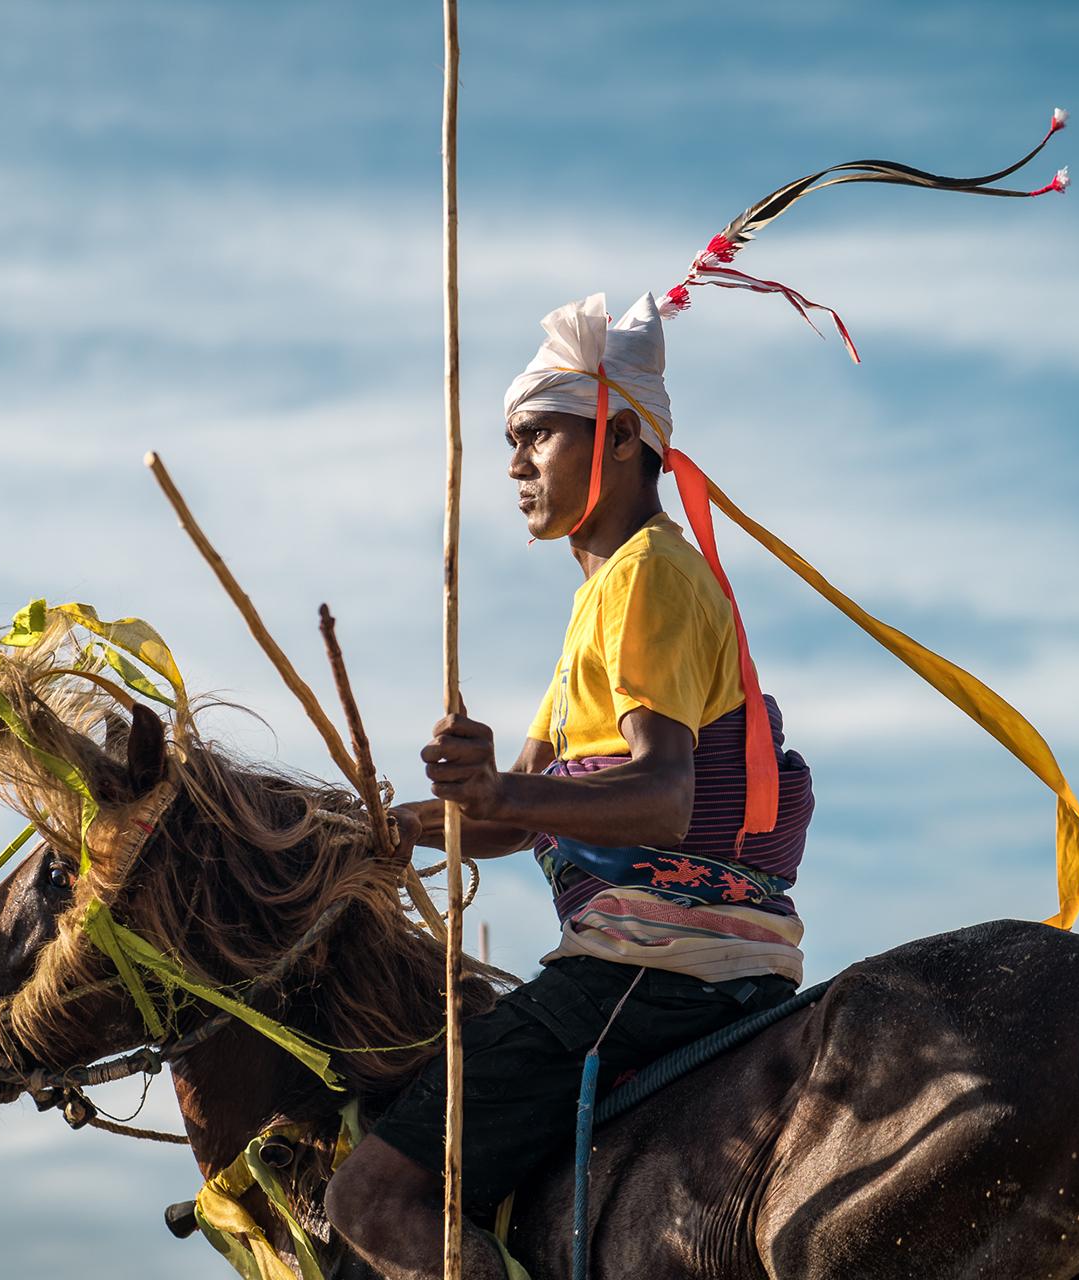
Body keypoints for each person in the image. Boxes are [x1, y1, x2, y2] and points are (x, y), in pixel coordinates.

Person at [325, 293, 816, 1280]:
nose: (513, 462)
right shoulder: (603, 597)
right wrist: (381, 828)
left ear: (625, 435)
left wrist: (500, 793)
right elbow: (513, 815)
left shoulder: (646, 577)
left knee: (371, 1195)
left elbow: (658, 799)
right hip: (677, 961)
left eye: (537, 433)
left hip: (658, 963)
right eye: (508, 440)